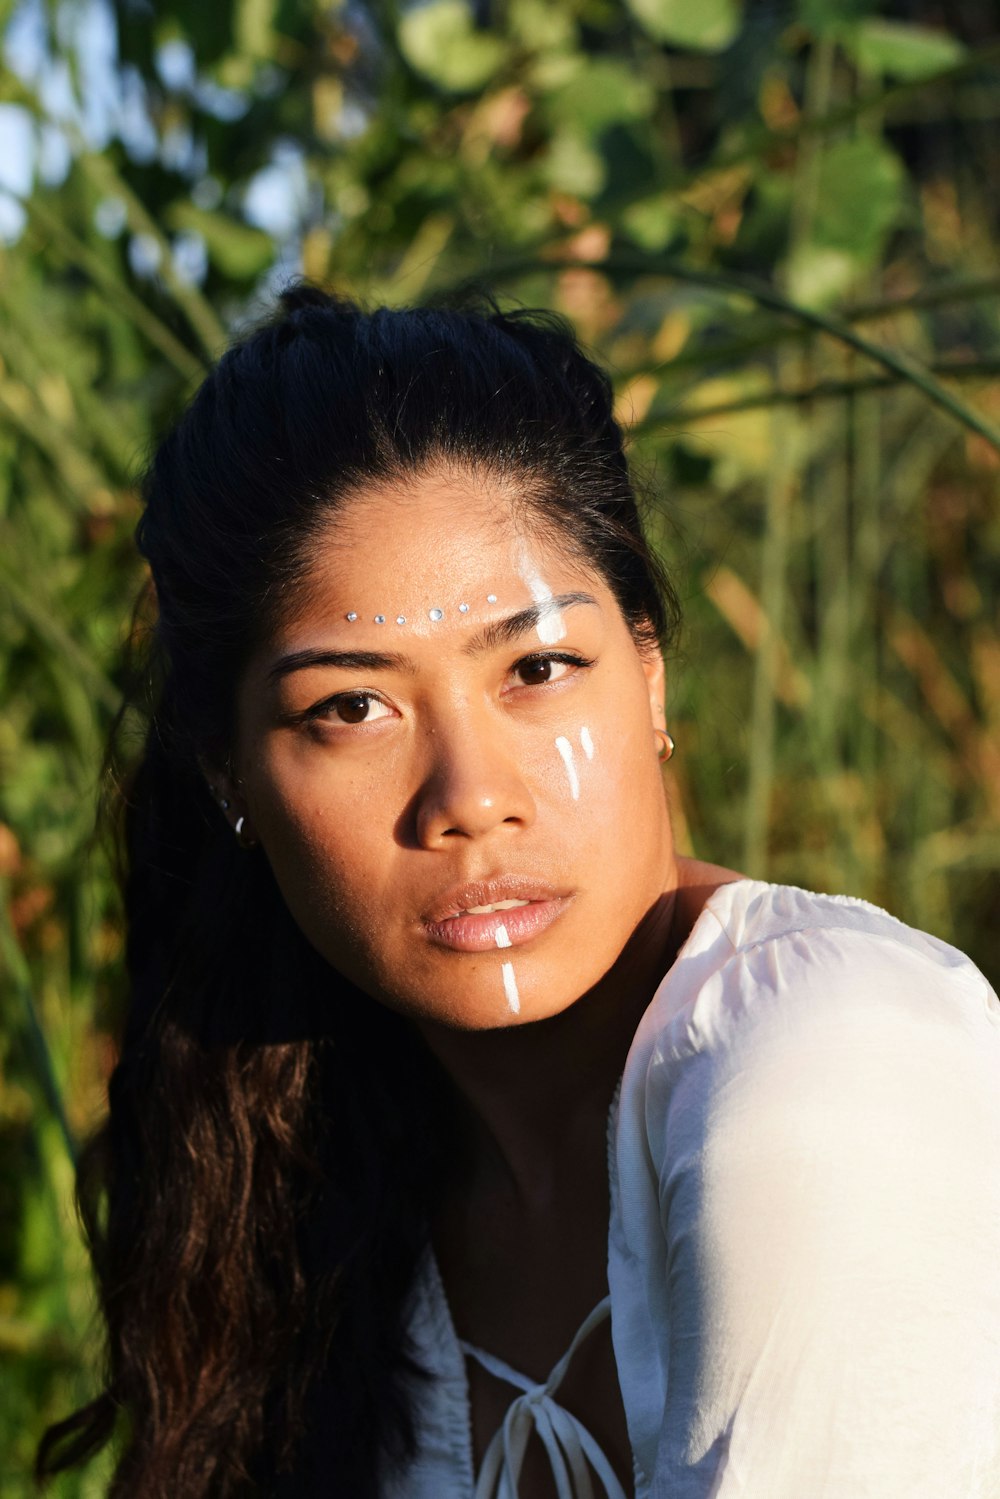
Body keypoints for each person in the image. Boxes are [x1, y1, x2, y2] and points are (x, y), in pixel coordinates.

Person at [39, 285, 1000, 1499]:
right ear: (229, 768)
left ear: (650, 674)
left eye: (538, 668)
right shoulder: (307, 1171)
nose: (469, 795)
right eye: (351, 706)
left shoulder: (831, 1065)